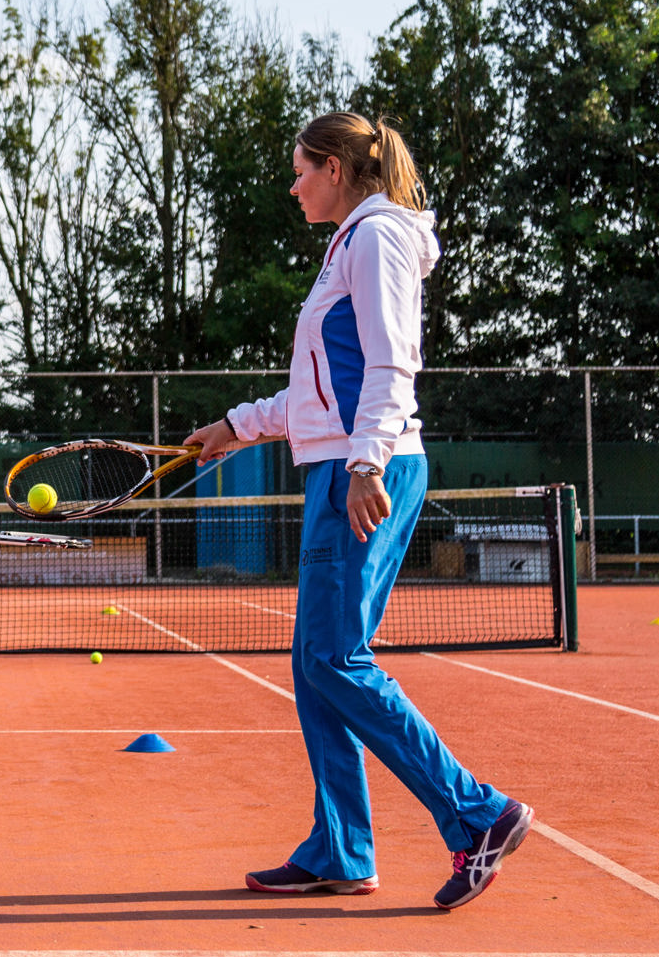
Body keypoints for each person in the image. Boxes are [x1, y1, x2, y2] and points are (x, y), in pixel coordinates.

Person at [183, 112, 532, 911]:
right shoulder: (351, 243)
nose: (294, 184)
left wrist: (366, 460)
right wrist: (238, 425)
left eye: (302, 169)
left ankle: (479, 813)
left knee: (337, 659)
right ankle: (340, 847)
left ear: (337, 167)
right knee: (316, 667)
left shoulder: (379, 238)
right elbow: (318, 389)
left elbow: (391, 360)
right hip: (343, 464)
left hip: (363, 471)